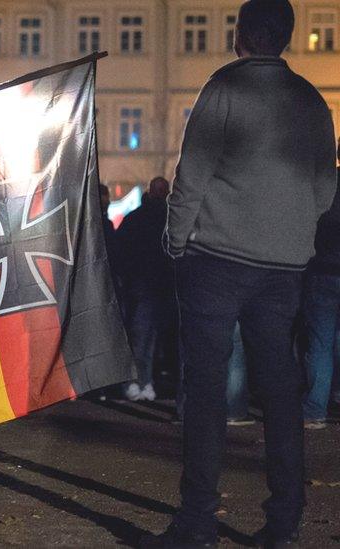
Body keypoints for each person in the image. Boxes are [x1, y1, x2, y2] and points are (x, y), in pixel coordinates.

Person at [145, 2, 338, 547]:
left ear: (240, 35)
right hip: (283, 267)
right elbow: (325, 187)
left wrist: (176, 241)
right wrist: (293, 232)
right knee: (280, 393)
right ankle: (284, 520)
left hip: (216, 260)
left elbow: (193, 174)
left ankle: (198, 520)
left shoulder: (224, 88)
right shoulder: (311, 102)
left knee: (206, 392)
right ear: (287, 38)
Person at [117, 177, 174, 402]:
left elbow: (122, 250)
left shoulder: (135, 219)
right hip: (157, 284)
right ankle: (141, 381)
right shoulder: (167, 219)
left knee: (140, 337)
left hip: (142, 284)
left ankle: (138, 381)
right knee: (148, 338)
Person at [302, 140, 340, 430]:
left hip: (323, 270)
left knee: (320, 344)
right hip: (326, 270)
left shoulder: (323, 185)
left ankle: (315, 409)